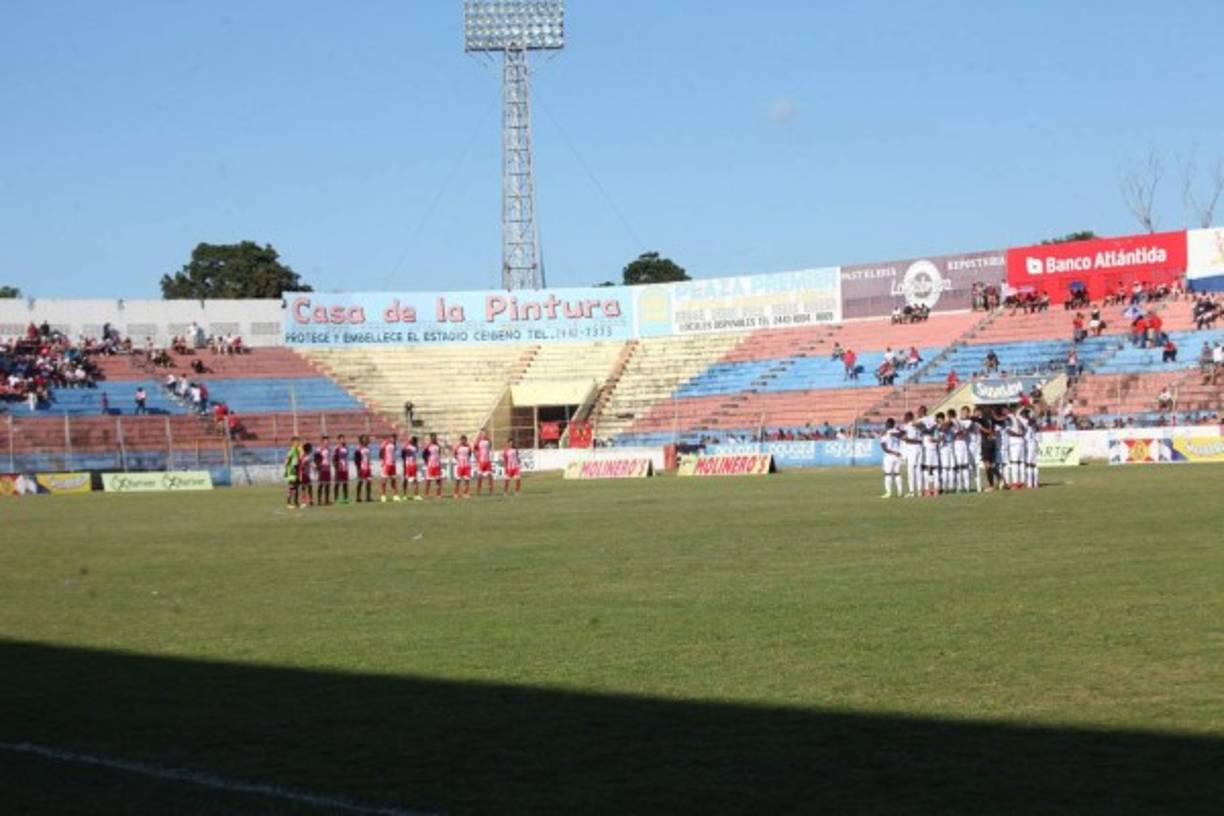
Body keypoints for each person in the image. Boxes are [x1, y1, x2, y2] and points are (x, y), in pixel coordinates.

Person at [878, 418, 904, 499]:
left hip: (889, 456)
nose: (885, 425)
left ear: (888, 424)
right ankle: (900, 492)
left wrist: (892, 452)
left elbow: (884, 447)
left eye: (886, 423)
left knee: (888, 474)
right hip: (897, 455)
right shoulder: (897, 432)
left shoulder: (885, 434)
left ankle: (888, 493)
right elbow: (902, 434)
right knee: (897, 474)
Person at [900, 410, 923, 498]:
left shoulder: (909, 426)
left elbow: (909, 439)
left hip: (912, 448)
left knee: (911, 470)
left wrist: (904, 439)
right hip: (919, 448)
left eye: (905, 417)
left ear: (908, 417)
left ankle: (912, 492)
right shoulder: (917, 426)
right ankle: (920, 491)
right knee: (918, 470)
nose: (904, 419)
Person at [918, 406, 940, 497]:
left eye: (919, 411)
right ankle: (936, 489)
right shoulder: (932, 419)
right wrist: (936, 438)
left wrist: (922, 429)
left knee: (927, 468)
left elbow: (927, 430)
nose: (918, 413)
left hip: (927, 445)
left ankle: (928, 490)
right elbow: (936, 429)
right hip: (933, 445)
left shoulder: (922, 420)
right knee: (934, 468)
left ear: (922, 412)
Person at [1022, 407, 1040, 489]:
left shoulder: (1027, 422)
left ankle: (1030, 484)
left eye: (1024, 415)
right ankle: (1035, 483)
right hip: (1033, 442)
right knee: (1033, 463)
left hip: (1030, 443)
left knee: (1030, 464)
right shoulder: (1033, 422)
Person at [423, 433, 445, 499]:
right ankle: (426, 494)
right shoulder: (428, 446)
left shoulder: (438, 445)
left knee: (438, 480)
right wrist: (426, 462)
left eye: (435, 437)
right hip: (430, 465)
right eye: (433, 437)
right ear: (431, 438)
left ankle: (438, 494)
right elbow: (424, 455)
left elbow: (439, 454)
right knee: (428, 480)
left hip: (437, 465)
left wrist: (439, 463)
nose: (434, 438)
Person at [400, 435, 421, 501]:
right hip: (407, 465)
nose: (409, 440)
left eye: (411, 439)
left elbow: (407, 451)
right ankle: (405, 495)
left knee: (415, 480)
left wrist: (405, 447)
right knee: (405, 480)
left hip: (413, 465)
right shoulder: (408, 446)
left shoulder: (414, 447)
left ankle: (416, 495)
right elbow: (403, 453)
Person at [378, 434, 399, 503]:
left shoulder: (394, 445)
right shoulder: (386, 443)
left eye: (395, 439)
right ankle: (383, 496)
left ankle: (395, 496)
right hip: (386, 464)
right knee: (384, 480)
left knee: (393, 480)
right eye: (393, 438)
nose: (394, 440)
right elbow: (381, 451)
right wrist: (382, 461)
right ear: (390, 438)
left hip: (393, 465)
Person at [452, 434, 473, 499]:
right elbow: (455, 454)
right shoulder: (458, 447)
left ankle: (465, 493)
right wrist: (458, 460)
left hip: (467, 466)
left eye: (464, 440)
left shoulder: (468, 447)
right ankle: (456, 493)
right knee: (458, 480)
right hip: (460, 466)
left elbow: (469, 454)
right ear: (460, 440)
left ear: (466, 440)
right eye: (462, 440)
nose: (463, 441)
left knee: (467, 480)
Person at [283, 436, 302, 509]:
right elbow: (287, 459)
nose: (298, 443)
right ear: (293, 442)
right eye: (297, 441)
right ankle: (288, 503)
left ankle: (296, 503)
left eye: (299, 441)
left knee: (296, 487)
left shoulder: (296, 450)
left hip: (296, 469)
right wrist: (286, 468)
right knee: (291, 487)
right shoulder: (292, 450)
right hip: (292, 470)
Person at [474, 430, 494, 496]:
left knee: (490, 476)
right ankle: (478, 491)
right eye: (482, 433)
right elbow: (475, 449)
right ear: (480, 434)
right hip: (481, 462)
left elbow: (490, 446)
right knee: (479, 477)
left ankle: (491, 491)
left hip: (487, 461)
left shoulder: (488, 441)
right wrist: (477, 457)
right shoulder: (478, 441)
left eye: (485, 433)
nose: (484, 434)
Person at [354, 434, 373, 503]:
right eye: (365, 439)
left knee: (369, 482)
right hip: (362, 468)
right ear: (361, 440)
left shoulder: (368, 448)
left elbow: (368, 458)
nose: (367, 440)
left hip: (368, 468)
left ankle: (368, 497)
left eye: (367, 439)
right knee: (360, 482)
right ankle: (358, 497)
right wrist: (358, 468)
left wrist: (370, 465)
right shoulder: (359, 449)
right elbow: (356, 460)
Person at [333, 434, 351, 505]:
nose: (343, 440)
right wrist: (336, 468)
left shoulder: (346, 448)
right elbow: (334, 459)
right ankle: (336, 499)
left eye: (344, 439)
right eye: (342, 439)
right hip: (339, 469)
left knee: (345, 484)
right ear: (339, 440)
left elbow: (346, 458)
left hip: (345, 468)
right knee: (337, 484)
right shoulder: (337, 448)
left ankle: (345, 498)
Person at [316, 435, 332, 506]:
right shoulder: (319, 450)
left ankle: (327, 500)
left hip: (327, 468)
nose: (327, 443)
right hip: (322, 468)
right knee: (321, 484)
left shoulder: (328, 450)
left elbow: (328, 459)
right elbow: (316, 459)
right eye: (325, 441)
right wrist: (318, 467)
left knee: (328, 484)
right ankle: (319, 500)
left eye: (327, 441)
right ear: (322, 442)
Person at [298, 442, 315, 507]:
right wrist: (315, 467)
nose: (311, 450)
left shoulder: (303, 456)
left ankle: (308, 501)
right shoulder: (306, 457)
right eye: (311, 448)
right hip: (304, 474)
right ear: (308, 449)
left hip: (305, 474)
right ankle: (306, 501)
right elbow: (309, 464)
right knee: (305, 487)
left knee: (306, 487)